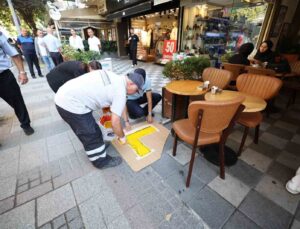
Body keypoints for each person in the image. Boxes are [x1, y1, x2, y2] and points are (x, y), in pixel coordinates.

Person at [54, 70, 144, 169]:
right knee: (90, 134)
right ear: (131, 83)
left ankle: (98, 147)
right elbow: (115, 123)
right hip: (70, 104)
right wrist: (122, 136)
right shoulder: (120, 91)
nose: (135, 93)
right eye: (136, 90)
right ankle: (100, 161)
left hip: (67, 95)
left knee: (94, 129)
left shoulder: (113, 76)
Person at [0, 31, 34, 135]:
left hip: (3, 76)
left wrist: (22, 72)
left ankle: (25, 124)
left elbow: (14, 53)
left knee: (17, 101)